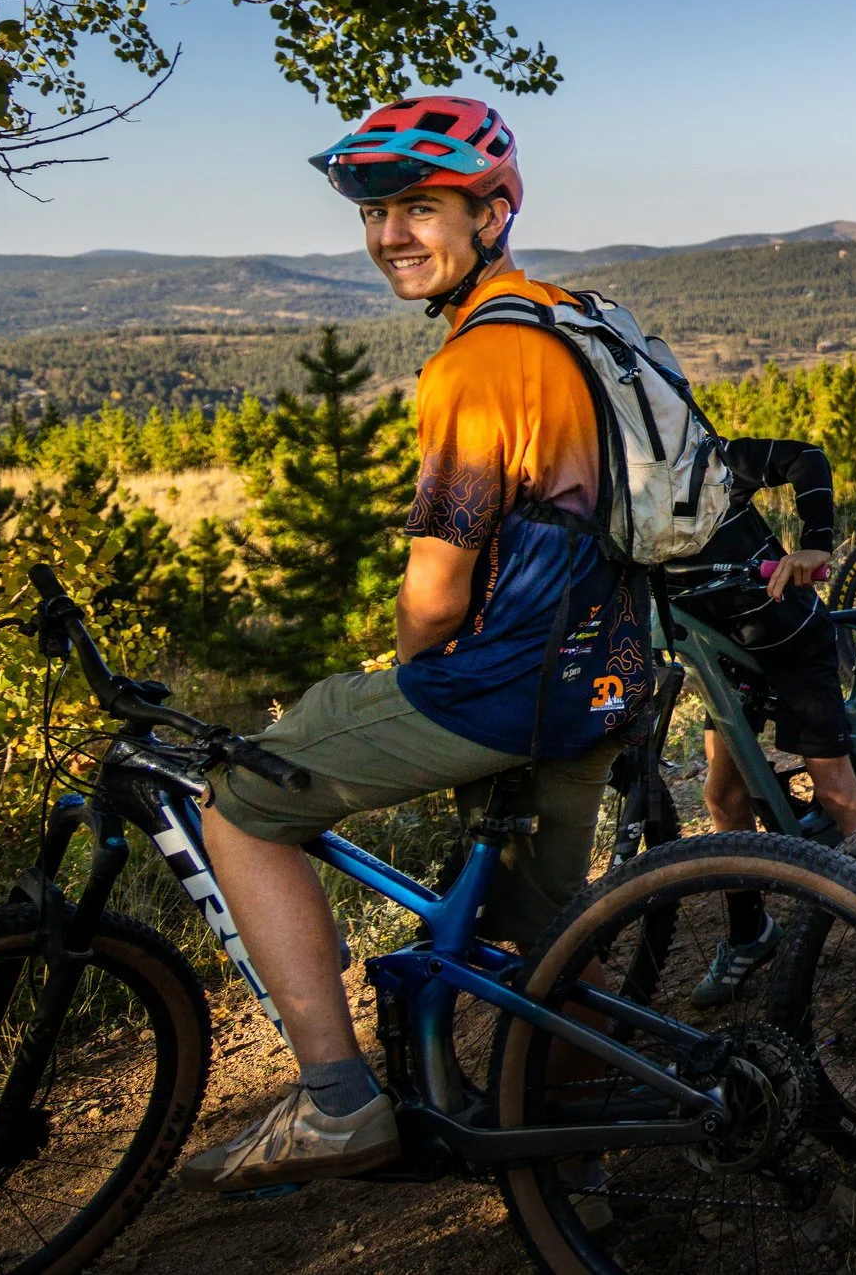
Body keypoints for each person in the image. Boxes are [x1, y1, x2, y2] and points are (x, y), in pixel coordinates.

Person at [182, 97, 649, 1191]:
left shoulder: (480, 361)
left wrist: (402, 665)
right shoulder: (569, 317)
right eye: (374, 214)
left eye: (419, 208)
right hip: (603, 671)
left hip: (505, 680)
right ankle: (573, 1166)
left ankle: (338, 1101)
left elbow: (436, 592)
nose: (390, 234)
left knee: (241, 806)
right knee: (545, 941)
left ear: (491, 213)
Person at [657, 434, 856, 1012]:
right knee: (723, 796)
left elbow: (806, 457)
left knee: (837, 792)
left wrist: (815, 544)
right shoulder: (622, 499)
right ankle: (751, 933)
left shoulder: (706, 461)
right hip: (727, 656)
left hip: (788, 636)